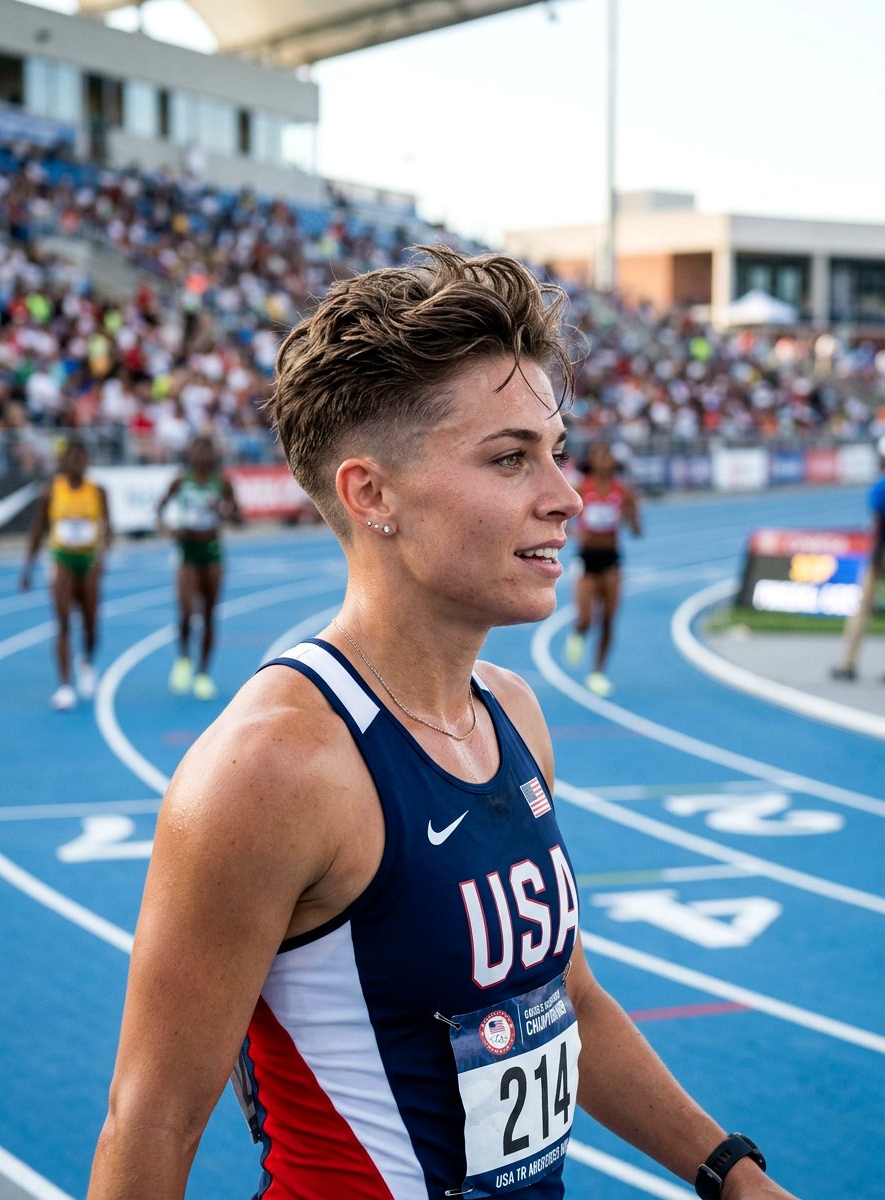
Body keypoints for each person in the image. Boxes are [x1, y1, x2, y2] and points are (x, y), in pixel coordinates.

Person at [88, 248, 799, 1200]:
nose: (566, 495)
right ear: (370, 494)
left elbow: (565, 1000)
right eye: (510, 458)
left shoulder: (513, 715)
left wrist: (733, 1176)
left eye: (555, 451)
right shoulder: (273, 768)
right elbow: (152, 1122)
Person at [20, 438, 111, 711]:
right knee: (62, 623)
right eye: (71, 456)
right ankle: (64, 686)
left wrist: (102, 558)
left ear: (87, 460)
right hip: (62, 560)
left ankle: (86, 662)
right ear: (63, 461)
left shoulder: (98, 491)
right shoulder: (51, 491)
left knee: (91, 624)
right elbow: (38, 529)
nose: (76, 461)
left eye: (81, 456)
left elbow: (108, 528)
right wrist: (28, 568)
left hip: (89, 561)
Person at [157, 433, 241, 700]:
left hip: (212, 550)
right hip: (187, 550)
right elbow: (160, 508)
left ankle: (203, 673)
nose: (203, 455)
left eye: (207, 449)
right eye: (198, 449)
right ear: (190, 453)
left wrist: (223, 511)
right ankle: (183, 658)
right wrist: (167, 529)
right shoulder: (181, 481)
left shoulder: (222, 482)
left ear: (214, 453)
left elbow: (238, 516)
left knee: (208, 615)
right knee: (185, 611)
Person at [564, 440, 641, 696]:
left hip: (612, 558)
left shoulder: (624, 490)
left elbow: (637, 530)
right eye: (600, 454)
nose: (605, 459)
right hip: (587, 558)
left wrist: (632, 514)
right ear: (592, 460)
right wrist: (576, 534)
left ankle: (597, 672)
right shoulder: (580, 488)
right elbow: (563, 521)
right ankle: (579, 632)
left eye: (608, 454)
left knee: (608, 619)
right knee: (586, 618)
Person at [831, 434, 885, 681]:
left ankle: (847, 663)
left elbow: (877, 526)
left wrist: (874, 559)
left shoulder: (880, 487)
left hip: (880, 554)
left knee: (863, 609)